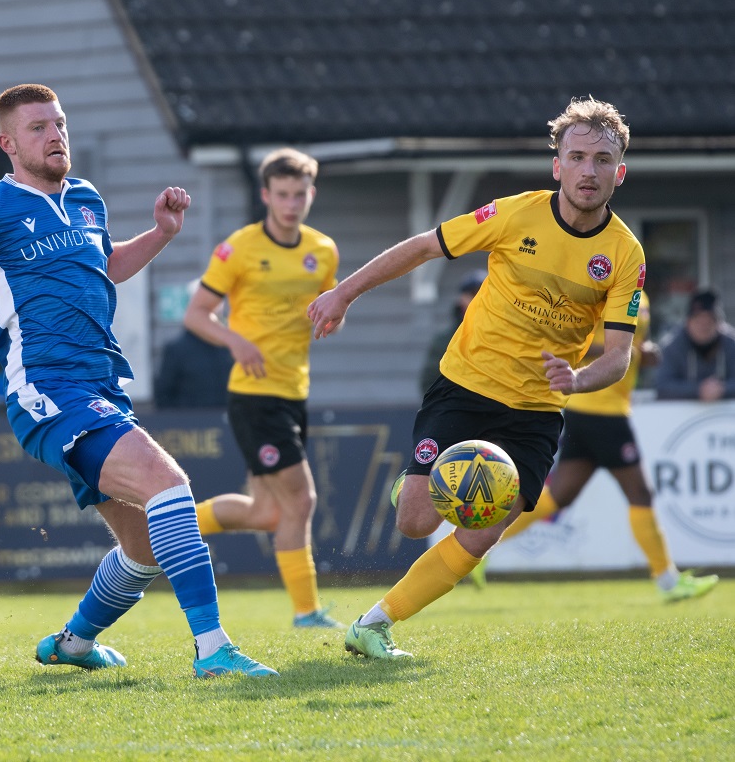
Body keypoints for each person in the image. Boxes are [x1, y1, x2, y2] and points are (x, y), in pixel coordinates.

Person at [0, 83, 276, 679]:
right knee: (168, 485)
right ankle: (213, 650)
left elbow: (105, 268)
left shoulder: (86, 199)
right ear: (7, 143)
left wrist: (160, 234)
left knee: (140, 549)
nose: (55, 135)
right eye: (37, 127)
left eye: (59, 123)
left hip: (101, 389)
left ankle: (73, 643)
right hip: (47, 392)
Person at [308, 96, 647, 659]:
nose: (590, 170)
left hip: (538, 410)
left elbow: (618, 355)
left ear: (620, 171)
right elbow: (423, 247)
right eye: (578, 156)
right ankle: (415, 483)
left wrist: (578, 380)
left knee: (482, 531)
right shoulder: (516, 214)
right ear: (557, 165)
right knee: (415, 521)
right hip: (467, 384)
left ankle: (374, 625)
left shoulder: (625, 254)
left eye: (603, 159)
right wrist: (343, 293)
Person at [468, 292, 719, 601]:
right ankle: (668, 581)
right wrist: (621, 352)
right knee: (639, 494)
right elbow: (570, 342)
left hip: (593, 412)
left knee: (558, 498)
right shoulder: (593, 295)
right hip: (602, 413)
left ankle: (477, 548)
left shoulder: (642, 299)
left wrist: (644, 352)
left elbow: (637, 343)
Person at [183, 148, 343, 629]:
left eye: (299, 195)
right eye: (282, 195)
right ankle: (306, 612)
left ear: (310, 195)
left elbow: (329, 303)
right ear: (265, 196)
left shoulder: (324, 250)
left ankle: (173, 525)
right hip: (254, 395)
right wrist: (235, 340)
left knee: (266, 511)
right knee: (302, 501)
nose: (291, 204)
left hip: (294, 391)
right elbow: (196, 315)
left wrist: (333, 316)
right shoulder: (240, 248)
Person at [654, 288, 735, 401]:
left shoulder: (731, 343)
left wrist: (722, 389)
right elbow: (663, 387)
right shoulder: (672, 345)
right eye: (698, 320)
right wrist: (698, 390)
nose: (704, 326)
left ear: (719, 323)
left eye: (709, 321)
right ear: (687, 322)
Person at [419, 269, 486, 393]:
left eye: (484, 294)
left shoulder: (507, 337)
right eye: (473, 294)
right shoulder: (444, 340)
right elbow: (429, 384)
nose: (478, 300)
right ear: (461, 299)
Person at [154, 315, 233, 409]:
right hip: (189, 419)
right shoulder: (177, 349)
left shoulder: (226, 347)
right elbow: (163, 393)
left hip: (223, 417)